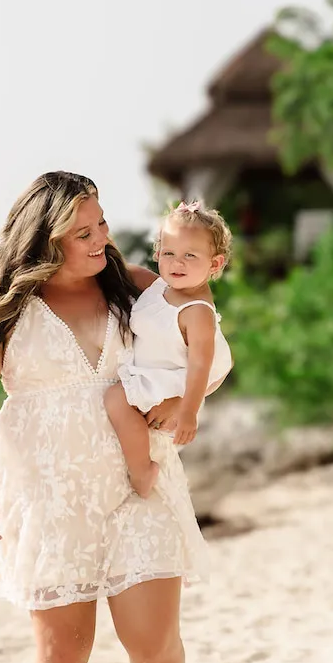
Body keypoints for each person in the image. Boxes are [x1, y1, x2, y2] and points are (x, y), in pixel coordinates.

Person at [0, 171, 210, 663]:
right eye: (83, 231)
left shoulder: (140, 289)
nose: (102, 239)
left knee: (154, 640)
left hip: (137, 480)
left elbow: (207, 349)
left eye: (102, 224)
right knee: (63, 646)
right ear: (46, 239)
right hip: (46, 489)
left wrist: (181, 405)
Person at [105, 200, 235, 496]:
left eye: (190, 255)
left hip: (167, 386)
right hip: (147, 376)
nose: (177, 263)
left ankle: (142, 469)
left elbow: (204, 364)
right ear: (157, 254)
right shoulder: (159, 287)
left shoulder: (196, 311)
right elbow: (115, 266)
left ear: (214, 264)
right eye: (169, 253)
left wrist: (188, 411)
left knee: (115, 399)